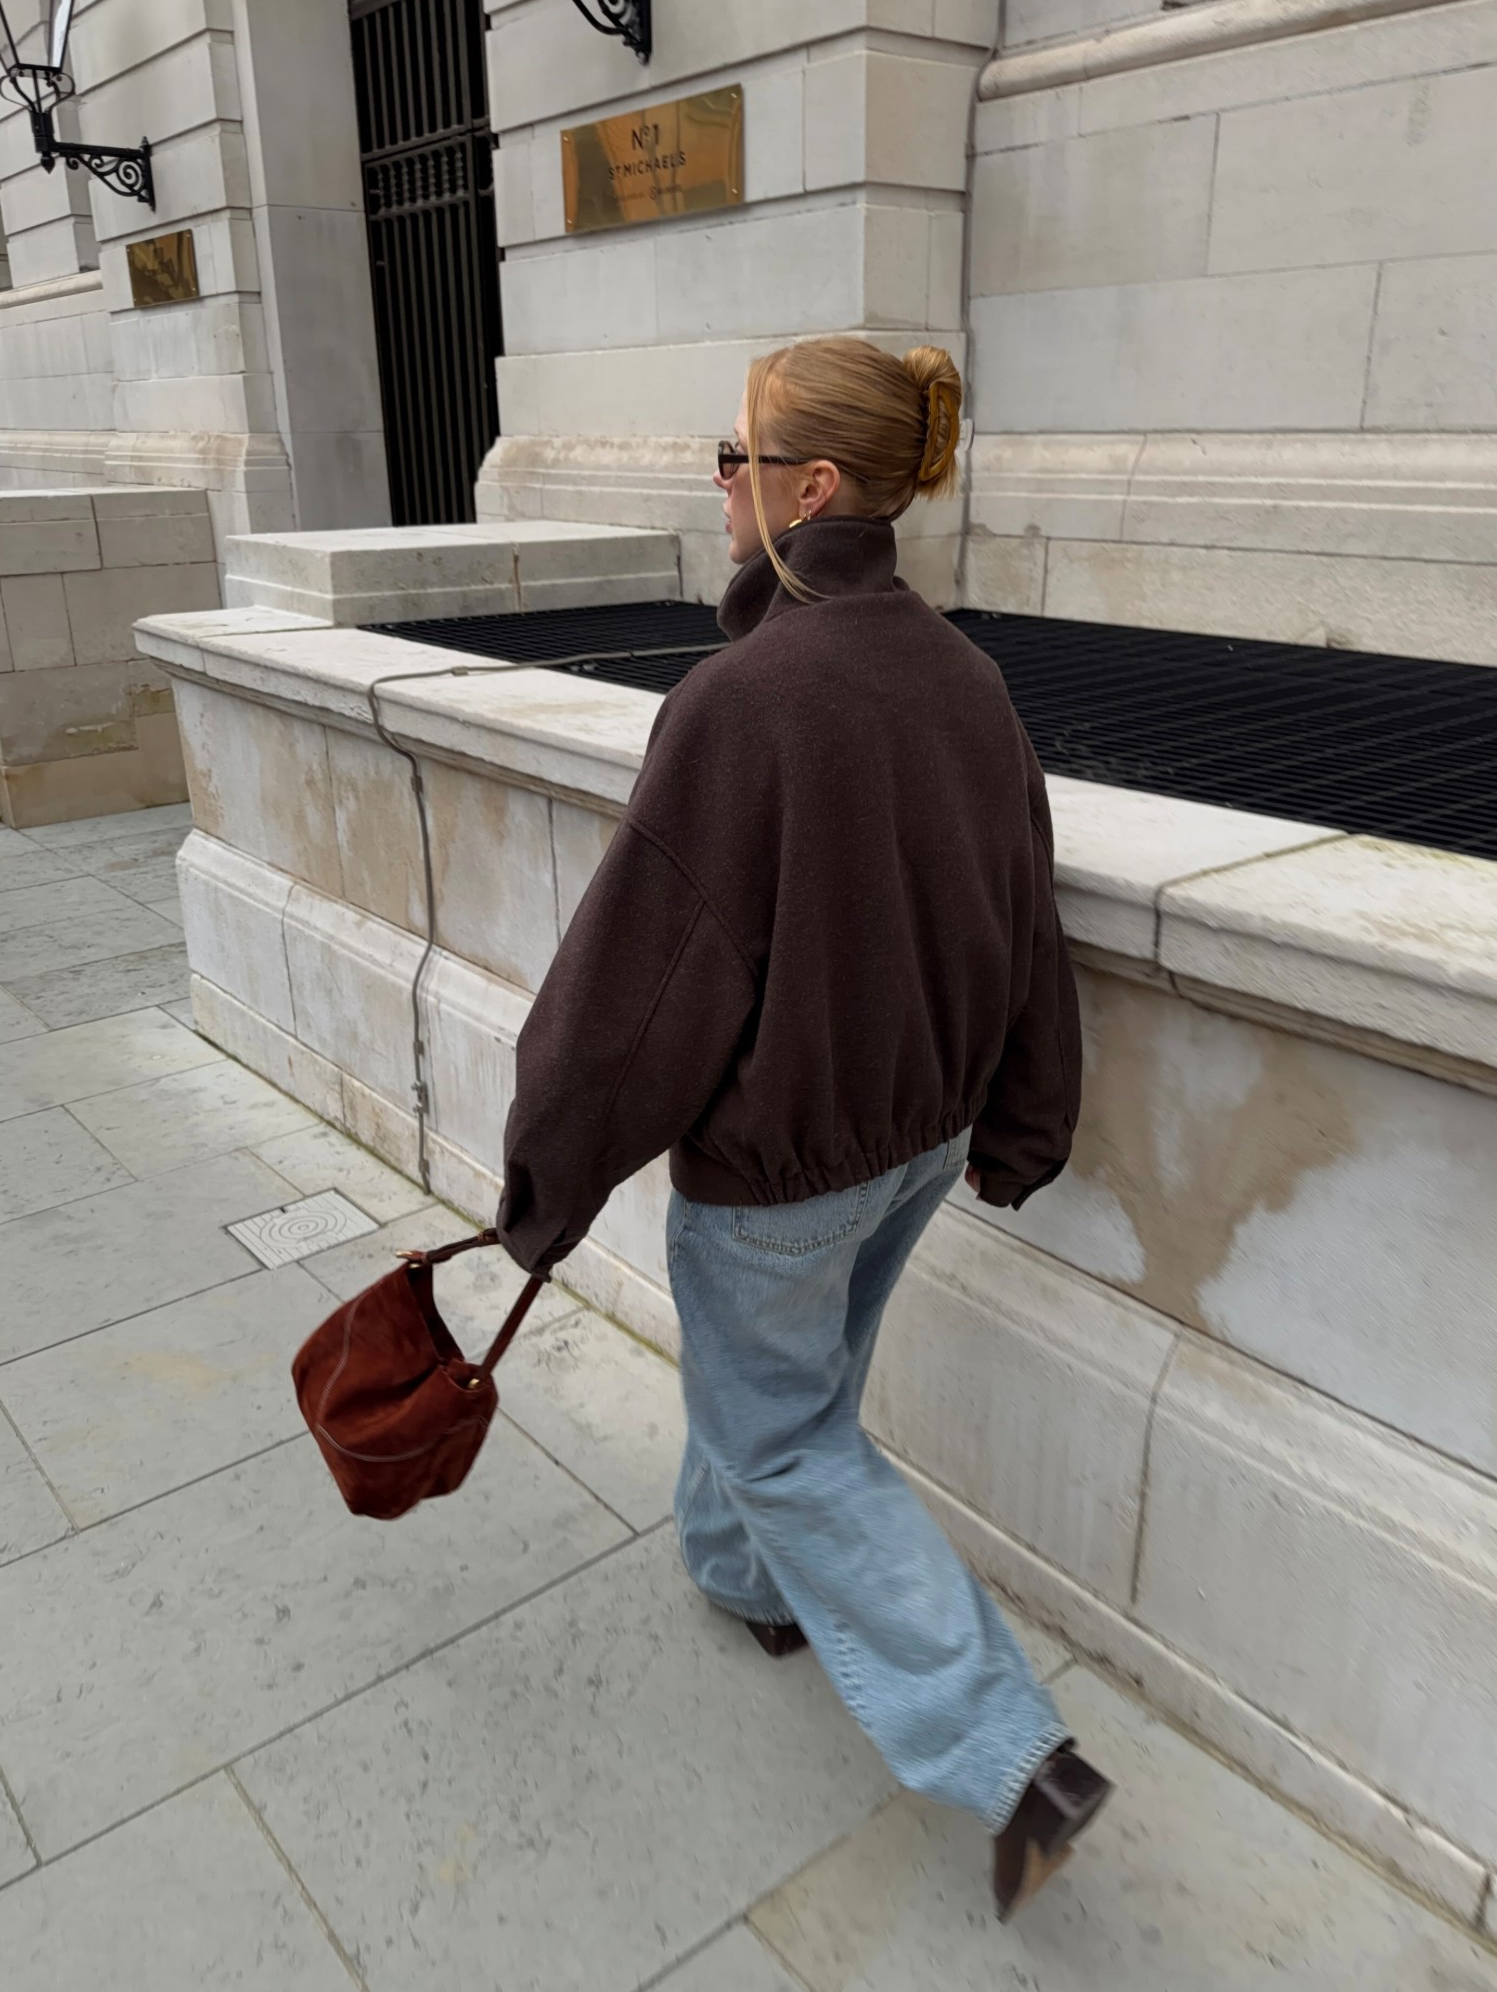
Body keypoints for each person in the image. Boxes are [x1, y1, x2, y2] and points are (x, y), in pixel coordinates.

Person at [496, 334, 1113, 1917]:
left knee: (782, 1425)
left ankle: (1005, 1748)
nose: (716, 481)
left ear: (812, 487)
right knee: (782, 1387)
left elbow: (634, 996)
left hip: (784, 1166)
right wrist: (1020, 1124)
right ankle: (745, 1583)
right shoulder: (963, 677)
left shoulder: (743, 701)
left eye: (733, 454)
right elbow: (1019, 918)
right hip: (912, 1144)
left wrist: (544, 1184)